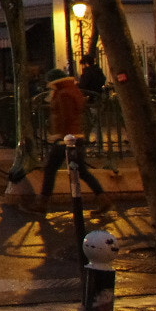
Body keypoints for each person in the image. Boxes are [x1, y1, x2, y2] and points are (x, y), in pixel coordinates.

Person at [34, 69, 105, 213]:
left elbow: (65, 116)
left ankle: (42, 203)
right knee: (82, 172)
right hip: (75, 136)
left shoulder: (63, 94)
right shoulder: (71, 90)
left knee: (50, 169)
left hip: (66, 139)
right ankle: (103, 199)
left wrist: (60, 135)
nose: (48, 85)